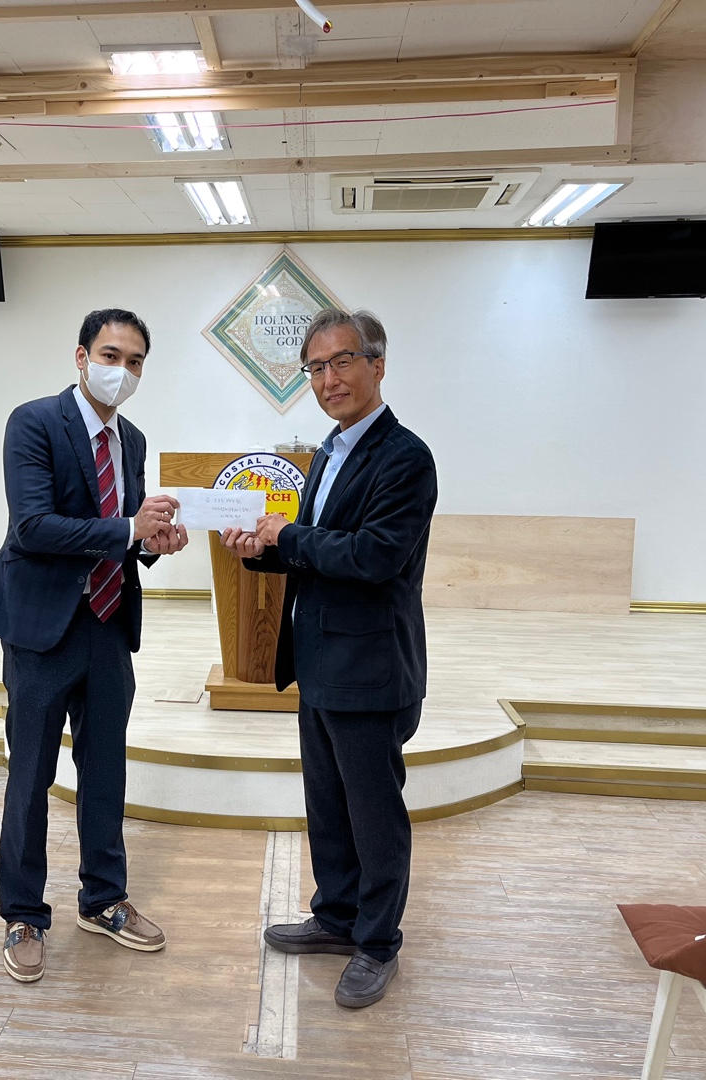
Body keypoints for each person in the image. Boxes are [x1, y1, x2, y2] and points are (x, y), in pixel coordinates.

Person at [221, 308, 437, 1009]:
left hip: (371, 669)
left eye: (343, 361)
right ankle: (337, 916)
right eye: (316, 367)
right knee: (329, 805)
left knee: (374, 816)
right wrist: (261, 550)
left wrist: (286, 537)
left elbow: (375, 557)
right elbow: (314, 550)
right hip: (320, 662)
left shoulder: (405, 457)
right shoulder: (329, 451)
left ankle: (377, 943)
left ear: (378, 364)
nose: (329, 378)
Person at [0, 308, 189, 984]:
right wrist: (129, 529)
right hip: (42, 628)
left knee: (105, 770)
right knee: (31, 775)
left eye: (135, 362)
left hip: (107, 624)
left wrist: (153, 543)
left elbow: (125, 536)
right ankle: (22, 913)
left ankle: (103, 899)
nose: (121, 371)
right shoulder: (34, 422)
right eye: (110, 355)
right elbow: (34, 526)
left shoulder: (133, 440)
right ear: (81, 357)